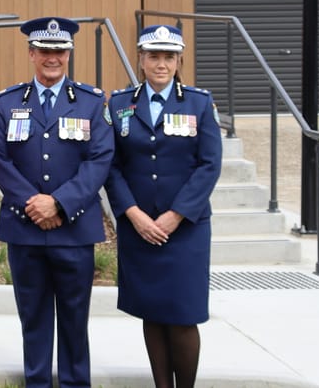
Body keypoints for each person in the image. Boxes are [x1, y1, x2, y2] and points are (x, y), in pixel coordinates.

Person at [0, 17, 113, 388]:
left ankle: (76, 384)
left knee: (75, 318)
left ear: (69, 55)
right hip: (25, 229)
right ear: (31, 54)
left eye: (59, 51)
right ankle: (37, 382)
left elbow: (100, 159)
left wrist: (58, 203)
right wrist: (34, 203)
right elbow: (0, 159)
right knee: (33, 316)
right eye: (44, 50)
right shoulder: (10, 102)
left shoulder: (91, 102)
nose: (52, 58)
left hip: (74, 229)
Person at [104, 25, 222, 388]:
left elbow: (209, 164)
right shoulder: (120, 104)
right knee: (151, 312)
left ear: (179, 60)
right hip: (138, 227)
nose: (161, 64)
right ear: (140, 60)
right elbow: (111, 164)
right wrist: (133, 214)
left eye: (168, 57)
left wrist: (176, 215)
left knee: (184, 315)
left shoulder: (198, 103)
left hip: (185, 229)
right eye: (153, 56)